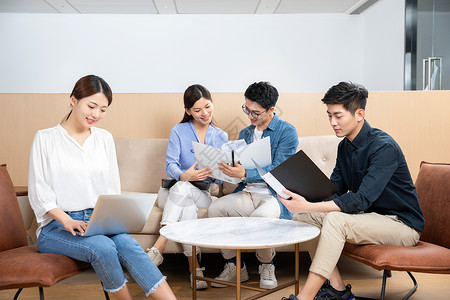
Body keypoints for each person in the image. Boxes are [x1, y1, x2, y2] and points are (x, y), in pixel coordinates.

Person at [28, 75, 177, 300]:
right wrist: (67, 220)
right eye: (91, 106)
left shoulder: (104, 139)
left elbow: (110, 189)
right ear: (73, 100)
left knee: (129, 245)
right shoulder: (45, 139)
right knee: (104, 248)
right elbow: (40, 193)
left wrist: (113, 218)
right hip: (57, 227)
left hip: (97, 221)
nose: (96, 115)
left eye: (103, 110)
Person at [280, 81, 425, 300]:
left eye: (338, 116)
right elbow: (335, 189)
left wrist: (311, 204)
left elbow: (361, 199)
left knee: (336, 221)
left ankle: (305, 297)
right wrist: (302, 195)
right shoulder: (344, 146)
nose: (333, 122)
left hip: (401, 224)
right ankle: (337, 289)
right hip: (370, 218)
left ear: (359, 114)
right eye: (329, 115)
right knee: (306, 216)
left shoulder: (383, 147)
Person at [208, 81, 299, 289]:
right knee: (215, 209)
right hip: (247, 193)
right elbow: (240, 169)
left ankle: (267, 264)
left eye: (255, 113)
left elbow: (278, 170)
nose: (250, 116)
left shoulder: (287, 132)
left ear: (271, 110)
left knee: (260, 219)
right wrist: (228, 171)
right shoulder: (245, 133)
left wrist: (245, 174)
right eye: (246, 110)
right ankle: (234, 267)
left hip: (273, 196)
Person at [146, 84, 228, 290]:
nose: (205, 113)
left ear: (212, 103)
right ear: (188, 111)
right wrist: (184, 175)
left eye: (208, 107)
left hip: (202, 192)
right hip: (172, 190)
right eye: (198, 110)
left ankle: (159, 246)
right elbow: (170, 165)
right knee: (183, 192)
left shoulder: (221, 136)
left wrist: (216, 175)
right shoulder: (179, 130)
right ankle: (195, 269)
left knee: (186, 195)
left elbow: (220, 179)